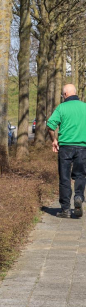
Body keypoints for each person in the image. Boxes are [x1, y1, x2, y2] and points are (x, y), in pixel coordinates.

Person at [47, 84, 86, 218]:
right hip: (82, 147)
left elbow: (50, 125)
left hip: (65, 148)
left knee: (65, 178)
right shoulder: (84, 107)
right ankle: (79, 197)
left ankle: (65, 210)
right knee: (80, 175)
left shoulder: (61, 107)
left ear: (65, 95)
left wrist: (54, 140)